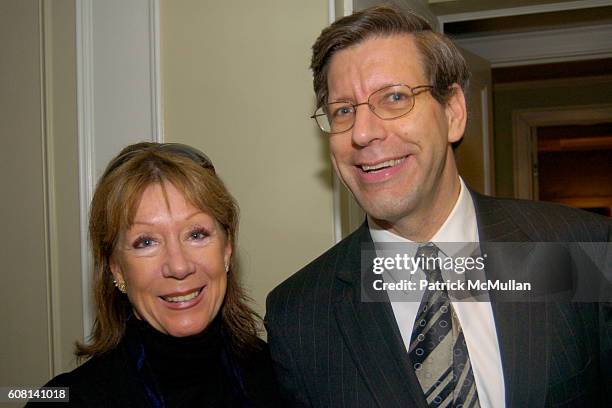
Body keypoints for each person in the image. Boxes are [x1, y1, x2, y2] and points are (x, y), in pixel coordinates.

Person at [265, 5, 611, 408]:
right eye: (343, 110)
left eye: (394, 97)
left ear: (453, 113)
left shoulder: (577, 247)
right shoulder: (300, 315)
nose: (362, 132)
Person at [30, 142, 281, 407]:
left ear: (227, 249)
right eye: (146, 242)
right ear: (116, 268)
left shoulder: (280, 375)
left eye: (196, 234)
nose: (179, 266)